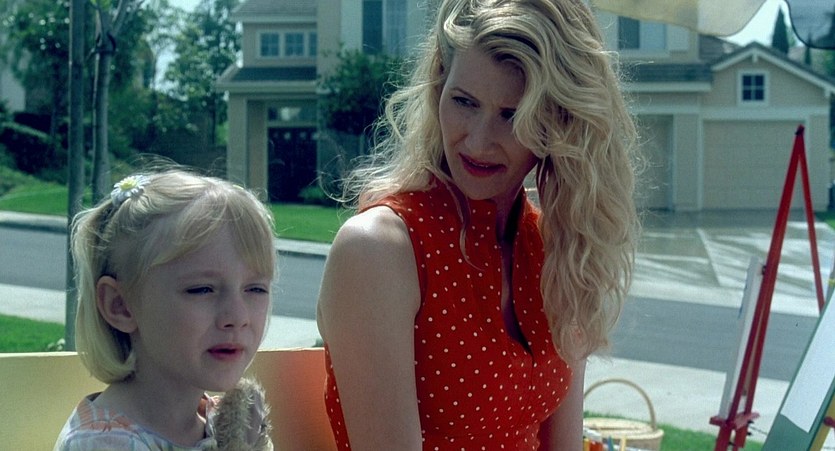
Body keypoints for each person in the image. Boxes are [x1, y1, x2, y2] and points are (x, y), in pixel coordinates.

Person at [316, 0, 640, 449]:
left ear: (561, 122)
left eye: (512, 114)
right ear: (438, 88)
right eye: (464, 102)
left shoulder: (558, 247)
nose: (479, 140)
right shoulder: (380, 250)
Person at [54, 169, 276, 450]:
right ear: (120, 306)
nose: (237, 317)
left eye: (255, 289)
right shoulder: (104, 443)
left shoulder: (221, 423)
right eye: (201, 289)